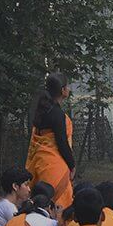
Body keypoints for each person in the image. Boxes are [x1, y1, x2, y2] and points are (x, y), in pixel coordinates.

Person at [25, 72, 76, 209]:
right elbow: (62, 143)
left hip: (39, 162)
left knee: (41, 202)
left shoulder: (41, 111)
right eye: (67, 86)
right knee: (58, 205)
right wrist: (72, 165)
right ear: (62, 90)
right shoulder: (57, 114)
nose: (69, 89)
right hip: (54, 166)